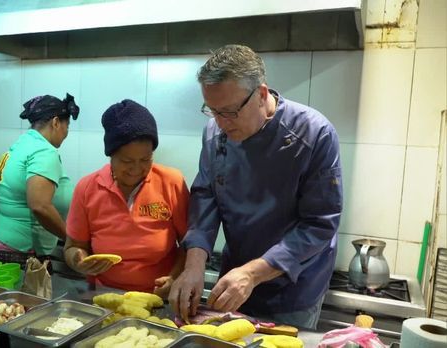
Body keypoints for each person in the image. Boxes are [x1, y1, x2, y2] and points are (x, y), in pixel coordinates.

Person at [168, 44, 343, 329]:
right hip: (233, 279)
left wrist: (252, 274)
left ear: (261, 95)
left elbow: (319, 225)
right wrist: (194, 265)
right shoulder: (214, 132)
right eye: (212, 111)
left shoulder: (314, 134)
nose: (221, 124)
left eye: (230, 112)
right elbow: (206, 197)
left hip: (292, 290)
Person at [63, 99, 190, 297]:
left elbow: (189, 244)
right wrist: (79, 261)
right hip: (105, 296)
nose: (136, 169)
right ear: (110, 155)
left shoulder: (171, 182)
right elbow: (72, 247)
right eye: (127, 161)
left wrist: (175, 277)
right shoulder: (87, 188)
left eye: (145, 160)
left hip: (158, 297)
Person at [0, 93, 80, 268]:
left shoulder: (21, 145)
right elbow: (40, 205)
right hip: (21, 251)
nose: (66, 133)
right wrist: (71, 239)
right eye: (66, 126)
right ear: (55, 122)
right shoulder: (44, 152)